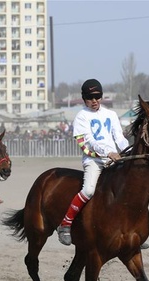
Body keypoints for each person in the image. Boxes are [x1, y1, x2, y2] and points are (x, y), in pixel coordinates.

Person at [56, 79, 130, 246]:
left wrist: (127, 151)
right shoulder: (81, 117)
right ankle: (65, 224)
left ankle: (128, 229)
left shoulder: (110, 114)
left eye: (97, 96)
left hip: (114, 159)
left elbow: (119, 137)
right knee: (89, 190)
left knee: (127, 189)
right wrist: (108, 152)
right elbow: (89, 142)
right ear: (84, 99)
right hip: (94, 160)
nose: (94, 100)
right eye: (90, 97)